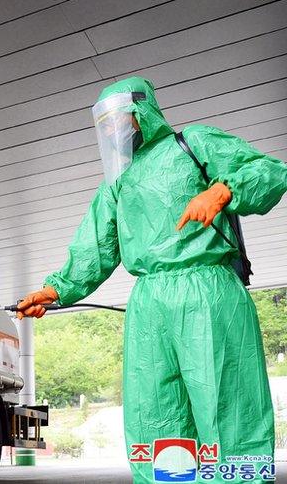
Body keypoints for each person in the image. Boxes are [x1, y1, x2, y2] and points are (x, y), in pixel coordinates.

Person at [17, 76, 287, 483]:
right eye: (103, 124)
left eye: (117, 118)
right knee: (156, 410)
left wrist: (222, 191)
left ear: (142, 110)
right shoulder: (117, 184)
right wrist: (55, 290)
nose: (111, 130)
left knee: (227, 404)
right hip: (148, 303)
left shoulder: (193, 143)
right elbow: (94, 248)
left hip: (207, 289)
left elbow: (269, 171)